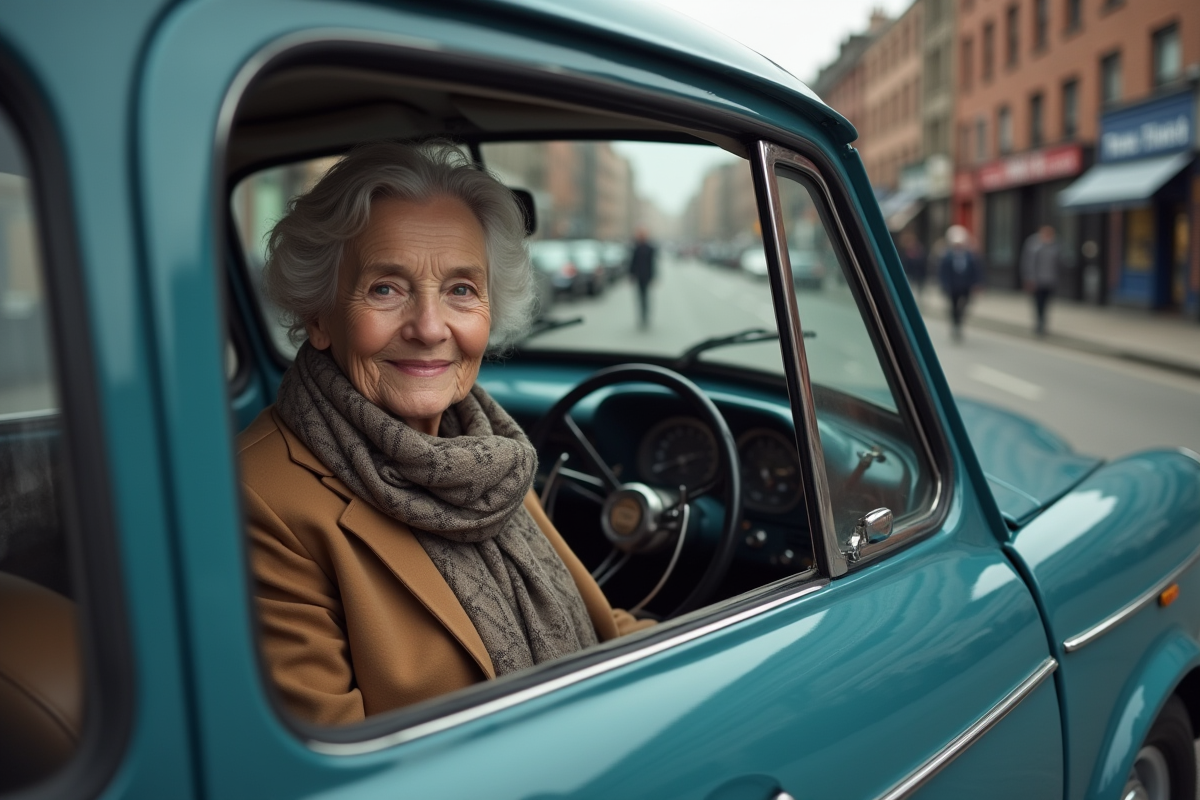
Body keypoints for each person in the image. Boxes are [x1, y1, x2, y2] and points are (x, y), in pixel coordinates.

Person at [238, 142, 652, 727]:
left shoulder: (487, 452)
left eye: (461, 290)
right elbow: (331, 772)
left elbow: (602, 629)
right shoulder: (259, 500)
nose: (430, 328)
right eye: (386, 288)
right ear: (319, 315)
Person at [937, 225, 982, 342]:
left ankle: (960, 320)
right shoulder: (947, 257)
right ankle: (955, 324)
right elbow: (943, 273)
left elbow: (976, 271)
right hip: (952, 287)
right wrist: (944, 286)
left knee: (965, 305)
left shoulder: (970, 256)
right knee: (953, 307)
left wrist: (977, 283)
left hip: (965, 286)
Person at [1020, 224, 1061, 336]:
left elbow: (1058, 264)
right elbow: (1028, 263)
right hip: (1037, 281)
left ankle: (1044, 324)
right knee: (1038, 303)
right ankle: (1039, 324)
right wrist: (1029, 279)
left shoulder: (1055, 245)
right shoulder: (1034, 245)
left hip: (1050, 281)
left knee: (1047, 304)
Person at [629, 227, 656, 329]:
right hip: (639, 276)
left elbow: (652, 264)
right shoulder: (636, 247)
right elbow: (633, 262)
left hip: (647, 276)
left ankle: (646, 316)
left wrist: (653, 277)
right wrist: (631, 275)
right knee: (639, 298)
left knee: (646, 298)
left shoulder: (650, 248)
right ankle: (641, 317)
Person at [897, 229, 927, 299]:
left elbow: (923, 264)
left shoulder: (919, 251)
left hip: (918, 276)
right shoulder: (903, 251)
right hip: (908, 276)